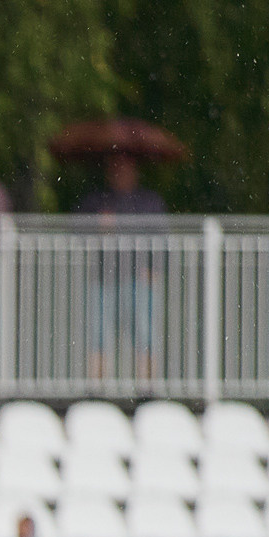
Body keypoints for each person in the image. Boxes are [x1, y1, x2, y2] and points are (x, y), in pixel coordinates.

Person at [77, 153, 167, 383]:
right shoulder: (96, 201)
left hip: (138, 279)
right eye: (115, 167)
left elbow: (160, 239)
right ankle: (96, 389)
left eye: (125, 167)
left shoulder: (148, 201)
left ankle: (147, 388)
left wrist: (154, 270)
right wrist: (99, 225)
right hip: (103, 279)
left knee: (145, 334)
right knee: (98, 335)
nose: (120, 172)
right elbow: (78, 231)